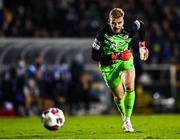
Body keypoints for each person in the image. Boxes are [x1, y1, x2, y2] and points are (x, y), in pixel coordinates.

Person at [91, 8, 149, 132]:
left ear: (123, 21)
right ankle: (124, 116)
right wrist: (115, 56)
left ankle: (127, 120)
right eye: (113, 23)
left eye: (119, 22)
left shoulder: (130, 29)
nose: (116, 26)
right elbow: (94, 56)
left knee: (129, 85)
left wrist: (142, 45)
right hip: (108, 66)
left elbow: (141, 25)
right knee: (119, 96)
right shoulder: (101, 35)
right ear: (109, 21)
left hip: (125, 60)